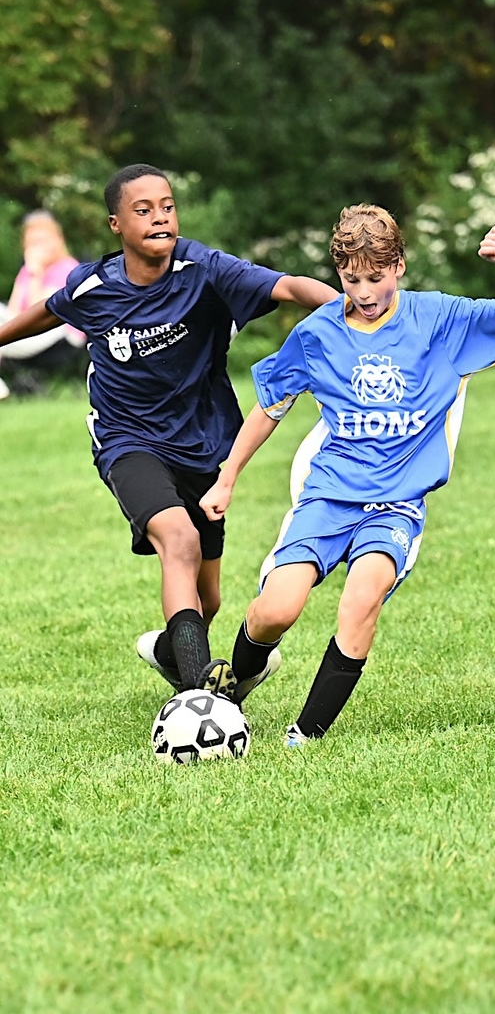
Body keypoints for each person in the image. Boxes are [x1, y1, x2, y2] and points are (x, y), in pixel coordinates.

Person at [199, 204, 495, 745]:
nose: (363, 291)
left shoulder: (439, 319)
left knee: (361, 598)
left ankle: (305, 735)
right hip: (329, 495)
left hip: (397, 504)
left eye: (375, 277)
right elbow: (272, 405)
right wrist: (228, 476)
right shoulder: (319, 332)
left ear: (399, 268)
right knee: (275, 610)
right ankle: (234, 687)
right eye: (350, 279)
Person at [0, 163, 338, 695]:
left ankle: (170, 651)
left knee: (210, 601)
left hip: (204, 445)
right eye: (143, 209)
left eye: (167, 206)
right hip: (125, 440)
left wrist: (357, 311)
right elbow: (50, 311)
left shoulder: (204, 268)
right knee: (176, 540)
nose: (160, 217)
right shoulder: (93, 286)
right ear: (116, 224)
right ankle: (196, 697)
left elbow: (288, 285)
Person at [0, 211, 86, 399]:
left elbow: (40, 315)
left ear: (58, 240)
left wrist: (35, 275)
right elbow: (14, 314)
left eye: (42, 241)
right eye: (32, 242)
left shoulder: (68, 269)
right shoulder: (28, 270)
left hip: (60, 335)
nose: (37, 248)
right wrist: (31, 272)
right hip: (26, 336)